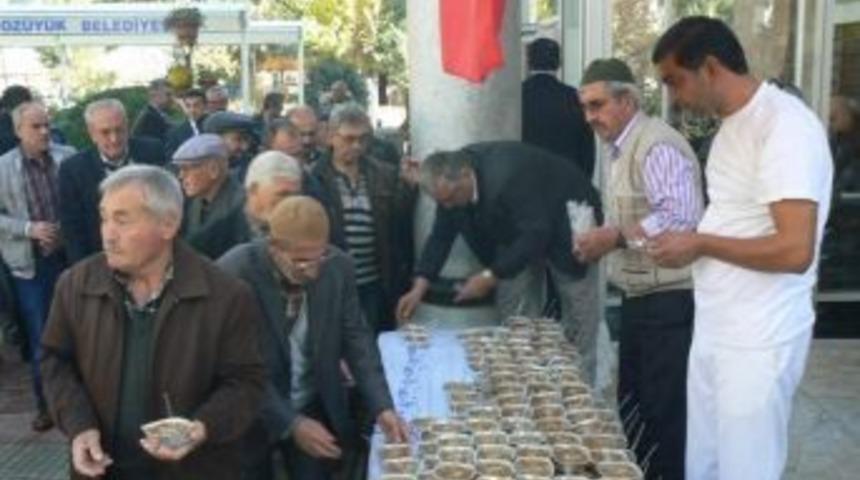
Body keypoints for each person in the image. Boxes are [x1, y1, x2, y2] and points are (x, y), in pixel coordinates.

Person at [649, 17, 833, 480]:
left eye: (675, 80)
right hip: (720, 326)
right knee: (706, 465)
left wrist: (701, 241)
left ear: (710, 68)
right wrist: (692, 242)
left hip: (759, 337)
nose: (673, 96)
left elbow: (794, 249)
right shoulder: (733, 126)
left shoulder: (785, 126)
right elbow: (737, 219)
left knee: (745, 469)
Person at [40, 165, 266, 479]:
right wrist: (79, 427)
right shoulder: (76, 284)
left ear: (168, 223)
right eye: (104, 217)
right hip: (101, 468)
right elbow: (55, 361)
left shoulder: (226, 295)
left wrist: (201, 428)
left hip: (192, 469)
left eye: (122, 219)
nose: (107, 233)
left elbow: (246, 383)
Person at [575, 58, 703, 480]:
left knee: (663, 412)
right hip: (640, 296)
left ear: (627, 100)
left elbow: (681, 217)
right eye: (585, 107)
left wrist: (614, 237)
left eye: (597, 105)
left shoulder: (656, 144)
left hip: (669, 299)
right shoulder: (621, 147)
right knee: (636, 406)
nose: (590, 117)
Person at [217, 195, 407, 480]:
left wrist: (382, 406)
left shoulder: (338, 266)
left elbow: (357, 341)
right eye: (302, 262)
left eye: (321, 256)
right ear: (275, 249)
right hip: (250, 411)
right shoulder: (235, 271)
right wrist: (290, 423)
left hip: (311, 401)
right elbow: (236, 365)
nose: (315, 270)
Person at [396, 141, 603, 381]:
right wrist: (419, 287)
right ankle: (527, 379)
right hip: (517, 229)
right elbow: (441, 236)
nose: (448, 207)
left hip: (566, 220)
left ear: (465, 175)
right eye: (442, 203)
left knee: (578, 310)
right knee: (514, 308)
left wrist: (489, 275)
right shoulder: (449, 188)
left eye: (451, 199)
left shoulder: (506, 178)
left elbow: (537, 233)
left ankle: (580, 386)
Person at [0, 102, 76, 432]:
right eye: (36, 127)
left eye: (47, 124)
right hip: (31, 266)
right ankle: (46, 405)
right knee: (42, 337)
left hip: (70, 256)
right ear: (18, 131)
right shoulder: (3, 168)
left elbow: (84, 202)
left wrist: (63, 232)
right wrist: (30, 229)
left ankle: (82, 401)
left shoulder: (68, 156)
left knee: (83, 329)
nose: (45, 131)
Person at [312, 104, 417, 333]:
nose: (357, 146)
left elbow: (398, 224)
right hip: (332, 285)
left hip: (375, 285)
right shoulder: (314, 178)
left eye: (363, 139)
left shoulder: (384, 173)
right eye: (349, 139)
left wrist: (408, 188)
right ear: (331, 136)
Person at [58, 98, 166, 264]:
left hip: (153, 255)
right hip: (105, 261)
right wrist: (87, 273)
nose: (114, 139)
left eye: (119, 130)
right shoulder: (73, 170)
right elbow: (73, 229)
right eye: (105, 132)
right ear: (92, 133)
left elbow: (168, 204)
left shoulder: (153, 152)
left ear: (128, 126)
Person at [522, 37, 595, 178]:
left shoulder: (516, 96)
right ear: (559, 63)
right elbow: (587, 150)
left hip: (524, 183)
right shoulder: (575, 97)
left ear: (528, 62)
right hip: (567, 184)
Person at [174, 134, 251, 259]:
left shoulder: (242, 206)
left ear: (213, 170)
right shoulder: (190, 201)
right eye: (180, 169)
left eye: (187, 169)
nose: (181, 176)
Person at [243, 150, 304, 236]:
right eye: (283, 194)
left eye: (295, 196)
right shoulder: (223, 231)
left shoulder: (305, 232)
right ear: (254, 189)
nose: (290, 203)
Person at [203, 111, 258, 182]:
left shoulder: (248, 169)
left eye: (247, 140)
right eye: (238, 139)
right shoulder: (197, 170)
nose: (245, 147)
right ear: (216, 139)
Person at [165, 88, 207, 157]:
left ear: (205, 106)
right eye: (188, 106)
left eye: (196, 105)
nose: (192, 110)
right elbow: (171, 159)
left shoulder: (214, 127)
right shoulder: (176, 132)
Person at [131, 79, 173, 145]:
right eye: (168, 94)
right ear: (154, 95)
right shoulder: (149, 118)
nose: (171, 98)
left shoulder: (158, 115)